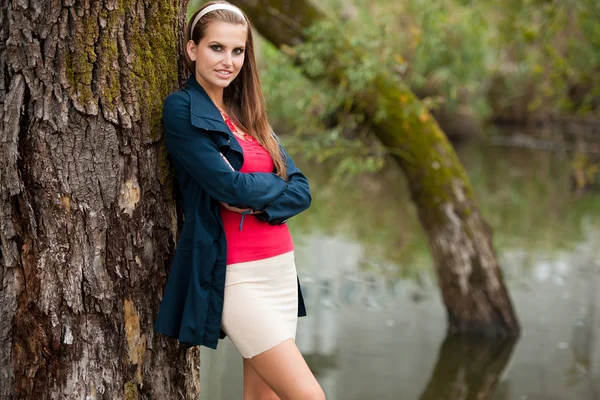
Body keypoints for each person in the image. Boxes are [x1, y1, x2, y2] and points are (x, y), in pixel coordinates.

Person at [153, 2, 325, 399]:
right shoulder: (183, 109)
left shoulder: (248, 114)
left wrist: (254, 192)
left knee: (262, 397)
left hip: (280, 269)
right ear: (192, 49)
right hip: (236, 275)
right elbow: (228, 190)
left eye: (237, 51)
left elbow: (301, 189)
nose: (227, 61)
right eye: (216, 47)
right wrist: (265, 189)